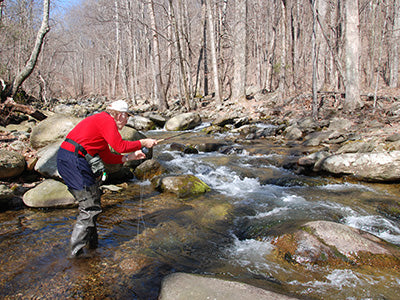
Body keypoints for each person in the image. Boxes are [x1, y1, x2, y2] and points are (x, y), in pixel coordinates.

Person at [56, 100, 157, 258]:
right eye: (127, 117)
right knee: (89, 207)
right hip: (73, 160)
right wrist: (143, 142)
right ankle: (75, 255)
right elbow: (120, 146)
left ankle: (92, 247)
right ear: (120, 115)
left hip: (73, 159)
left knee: (93, 200)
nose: (127, 120)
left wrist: (130, 157)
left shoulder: (101, 124)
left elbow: (108, 157)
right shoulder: (106, 120)